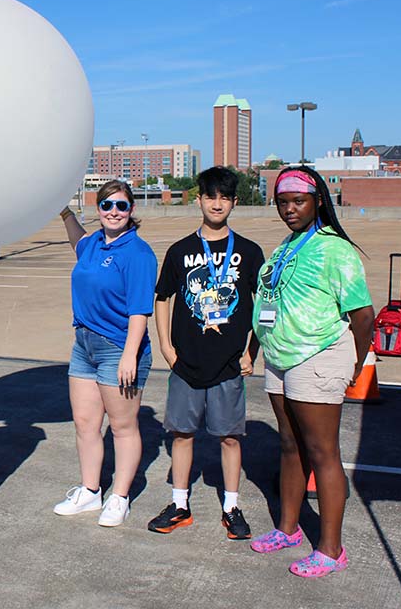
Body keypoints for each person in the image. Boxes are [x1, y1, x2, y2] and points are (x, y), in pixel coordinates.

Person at [250, 166, 374, 578]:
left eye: (298, 201)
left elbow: (363, 315)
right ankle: (287, 528)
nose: (289, 209)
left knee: (323, 453)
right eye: (283, 202)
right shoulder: (287, 245)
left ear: (318, 200)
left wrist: (353, 364)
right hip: (281, 357)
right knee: (289, 445)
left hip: (317, 356)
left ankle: (330, 548)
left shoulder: (335, 249)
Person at [145, 167, 264, 539]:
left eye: (225, 197)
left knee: (230, 437)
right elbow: (162, 297)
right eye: (210, 196)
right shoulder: (181, 251)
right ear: (198, 199)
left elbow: (263, 305)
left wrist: (252, 352)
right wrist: (166, 346)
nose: (217, 204)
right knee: (182, 434)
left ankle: (231, 506)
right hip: (186, 363)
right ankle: (180, 503)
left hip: (229, 364)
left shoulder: (248, 252)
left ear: (234, 202)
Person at [54, 180, 157, 527]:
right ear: (98, 209)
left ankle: (120, 497)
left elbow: (140, 311)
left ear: (131, 211)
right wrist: (64, 210)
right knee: (85, 424)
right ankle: (90, 490)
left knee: (123, 426)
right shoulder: (94, 244)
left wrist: (130, 355)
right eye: (107, 205)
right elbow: (76, 240)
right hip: (84, 345)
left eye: (121, 206)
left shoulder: (138, 253)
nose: (114, 212)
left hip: (118, 347)